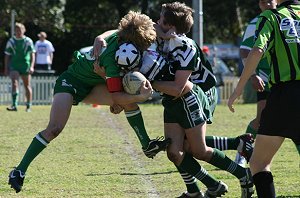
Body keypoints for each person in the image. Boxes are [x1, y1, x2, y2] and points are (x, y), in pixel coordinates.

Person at [8, 11, 169, 194]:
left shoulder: (125, 37)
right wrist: (140, 97)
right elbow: (116, 98)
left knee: (128, 102)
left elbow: (114, 32)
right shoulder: (112, 59)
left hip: (94, 84)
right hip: (72, 82)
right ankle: (19, 170)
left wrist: (100, 36)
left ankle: (147, 145)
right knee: (54, 128)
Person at [148, 2, 254, 197]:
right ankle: (204, 187)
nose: (156, 22)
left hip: (198, 95)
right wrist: (100, 39)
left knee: (197, 150)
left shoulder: (186, 47)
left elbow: (180, 87)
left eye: (161, 19)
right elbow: (133, 29)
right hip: (173, 97)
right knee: (174, 151)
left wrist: (149, 83)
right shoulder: (161, 38)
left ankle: (243, 174)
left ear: (170, 27)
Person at [228, 0, 300, 197]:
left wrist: (238, 89)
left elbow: (257, 50)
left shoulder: (270, 17)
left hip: (285, 95)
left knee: (259, 162)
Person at [236, 0, 278, 167]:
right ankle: (242, 152)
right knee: (261, 119)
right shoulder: (256, 23)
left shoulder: (289, 19)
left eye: (270, 0)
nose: (266, 4)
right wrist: (253, 75)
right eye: (262, 1)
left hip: (288, 78)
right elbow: (245, 51)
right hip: (266, 79)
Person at [4, 22, 35, 112]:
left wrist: (32, 66)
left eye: (20, 30)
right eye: (16, 30)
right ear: (14, 31)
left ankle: (28, 106)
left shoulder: (28, 41)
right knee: (14, 83)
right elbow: (7, 55)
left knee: (27, 86)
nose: (18, 32)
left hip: (25, 65)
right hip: (14, 65)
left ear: (24, 31)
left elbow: (32, 54)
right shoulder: (11, 41)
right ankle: (14, 105)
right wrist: (6, 68)